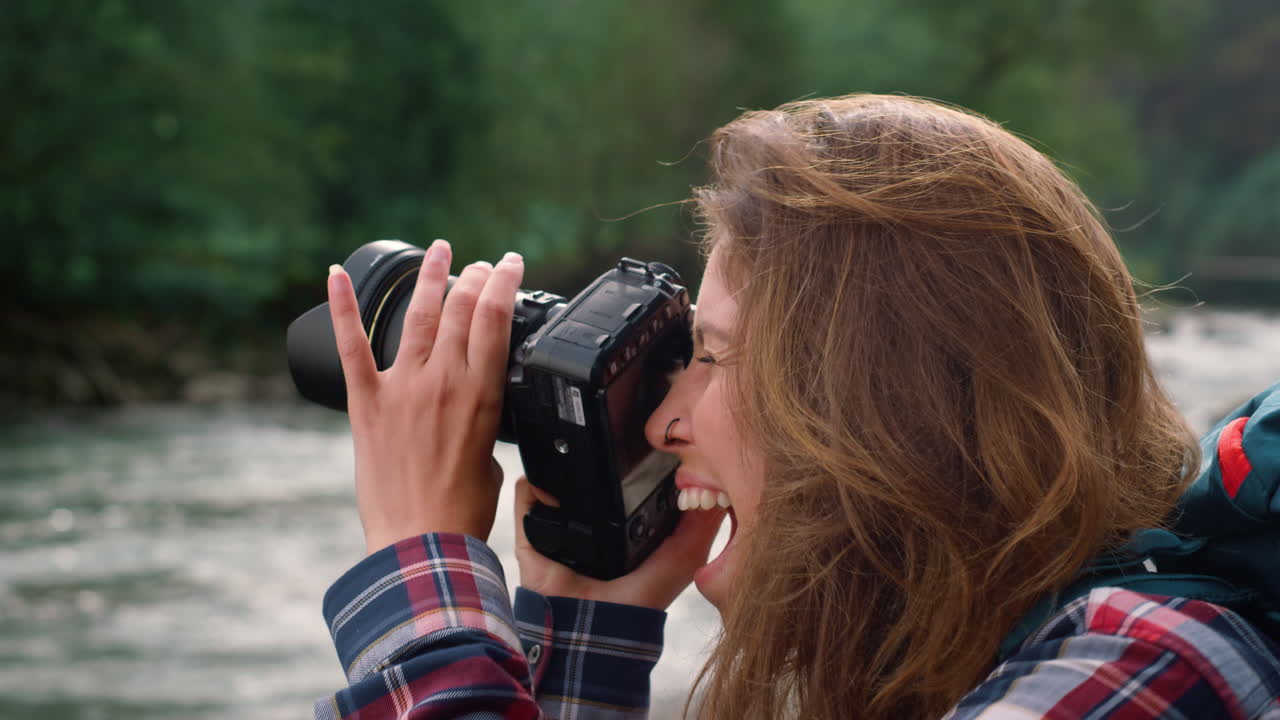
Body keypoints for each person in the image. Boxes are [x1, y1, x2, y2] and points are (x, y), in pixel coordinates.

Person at [312, 95, 1280, 719]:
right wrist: (580, 628)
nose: (660, 424)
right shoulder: (1044, 647)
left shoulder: (1145, 674)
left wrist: (418, 562)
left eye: (715, 356)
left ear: (882, 409)